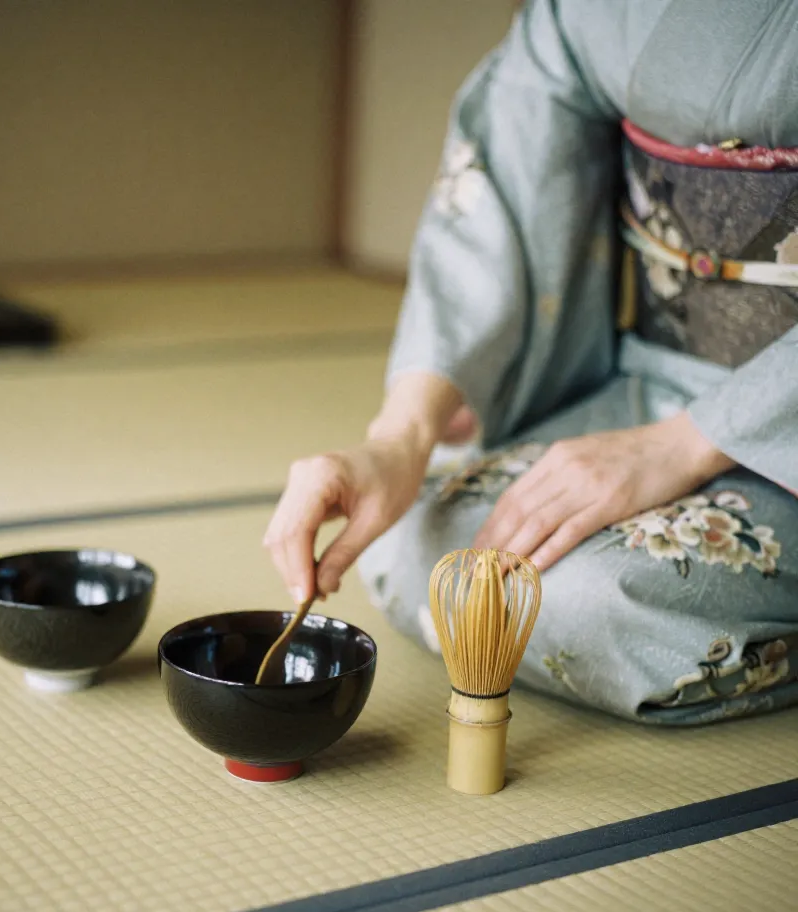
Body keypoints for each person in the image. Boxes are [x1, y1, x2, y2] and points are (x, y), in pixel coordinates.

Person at [263, 0, 798, 725]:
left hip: (779, 419)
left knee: (597, 598)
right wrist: (399, 437)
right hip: (652, 381)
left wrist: (683, 447)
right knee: (417, 539)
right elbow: (507, 192)